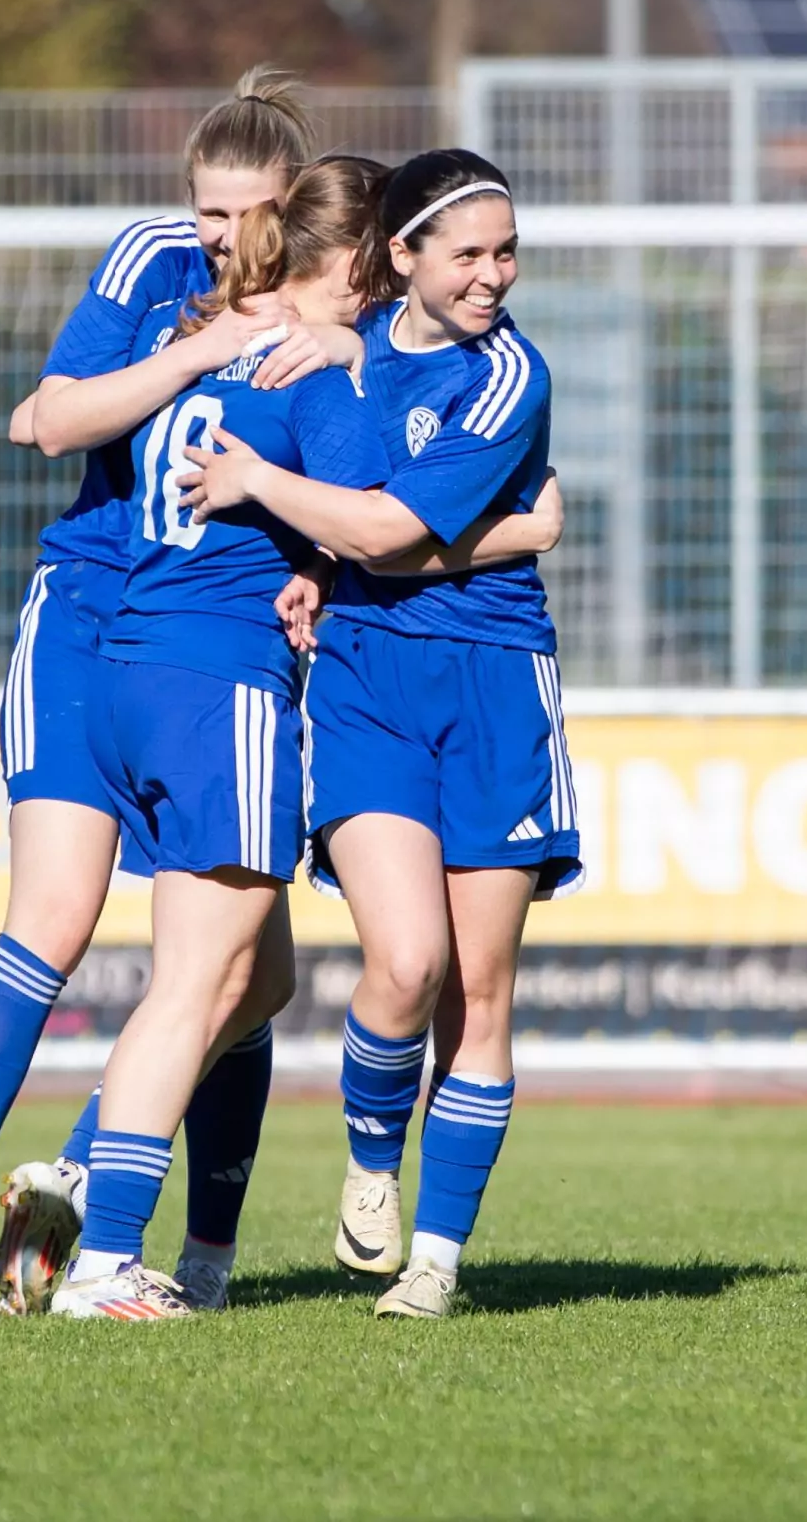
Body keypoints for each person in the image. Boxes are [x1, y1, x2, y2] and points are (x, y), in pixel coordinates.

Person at [0, 67, 344, 1313]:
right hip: (94, 611)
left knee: (252, 974)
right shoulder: (154, 262)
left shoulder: (318, 292)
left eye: (243, 209)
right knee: (56, 917)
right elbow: (42, 418)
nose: (218, 231)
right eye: (204, 206)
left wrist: (336, 339)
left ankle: (112, 1194)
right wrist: (207, 344)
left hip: (201, 624)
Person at [176, 150, 581, 1319]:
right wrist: (502, 532)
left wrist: (262, 482)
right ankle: (368, 1161)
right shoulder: (347, 359)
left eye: (505, 251)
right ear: (398, 255)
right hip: (364, 679)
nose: (492, 275)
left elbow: (388, 530)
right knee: (405, 961)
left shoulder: (511, 376)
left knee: (479, 993)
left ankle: (437, 1262)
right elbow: (358, 528)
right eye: (467, 253)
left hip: (494, 686)